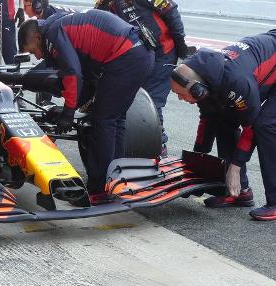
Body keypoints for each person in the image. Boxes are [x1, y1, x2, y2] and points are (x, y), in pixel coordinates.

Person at [18, 10, 154, 203]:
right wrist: (69, 108)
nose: (37, 56)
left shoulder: (53, 33)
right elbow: (88, 78)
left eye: (33, 50)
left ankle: (98, 188)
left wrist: (68, 112)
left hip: (127, 56)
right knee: (115, 119)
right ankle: (114, 179)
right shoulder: (59, 23)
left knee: (103, 120)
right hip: (141, 54)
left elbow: (73, 74)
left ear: (37, 37)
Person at [170, 29, 276, 221]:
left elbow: (249, 126)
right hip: (260, 65)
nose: (180, 98)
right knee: (224, 120)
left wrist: (235, 167)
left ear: (197, 88)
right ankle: (239, 191)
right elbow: (208, 118)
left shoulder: (237, 82)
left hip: (265, 70)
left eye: (181, 94)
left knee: (265, 126)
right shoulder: (204, 82)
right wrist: (196, 160)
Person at [95, 0, 192, 157]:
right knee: (131, 97)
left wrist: (181, 43)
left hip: (163, 53)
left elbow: (171, 10)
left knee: (152, 100)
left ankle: (159, 145)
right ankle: (136, 142)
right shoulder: (106, 4)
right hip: (138, 53)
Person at [20, 0, 76, 106]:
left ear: (37, 6)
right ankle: (45, 103)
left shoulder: (50, 18)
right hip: (70, 47)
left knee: (40, 76)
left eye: (26, 5)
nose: (24, 9)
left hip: (72, 49)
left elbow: (52, 57)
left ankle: (45, 104)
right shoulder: (44, 14)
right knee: (40, 74)